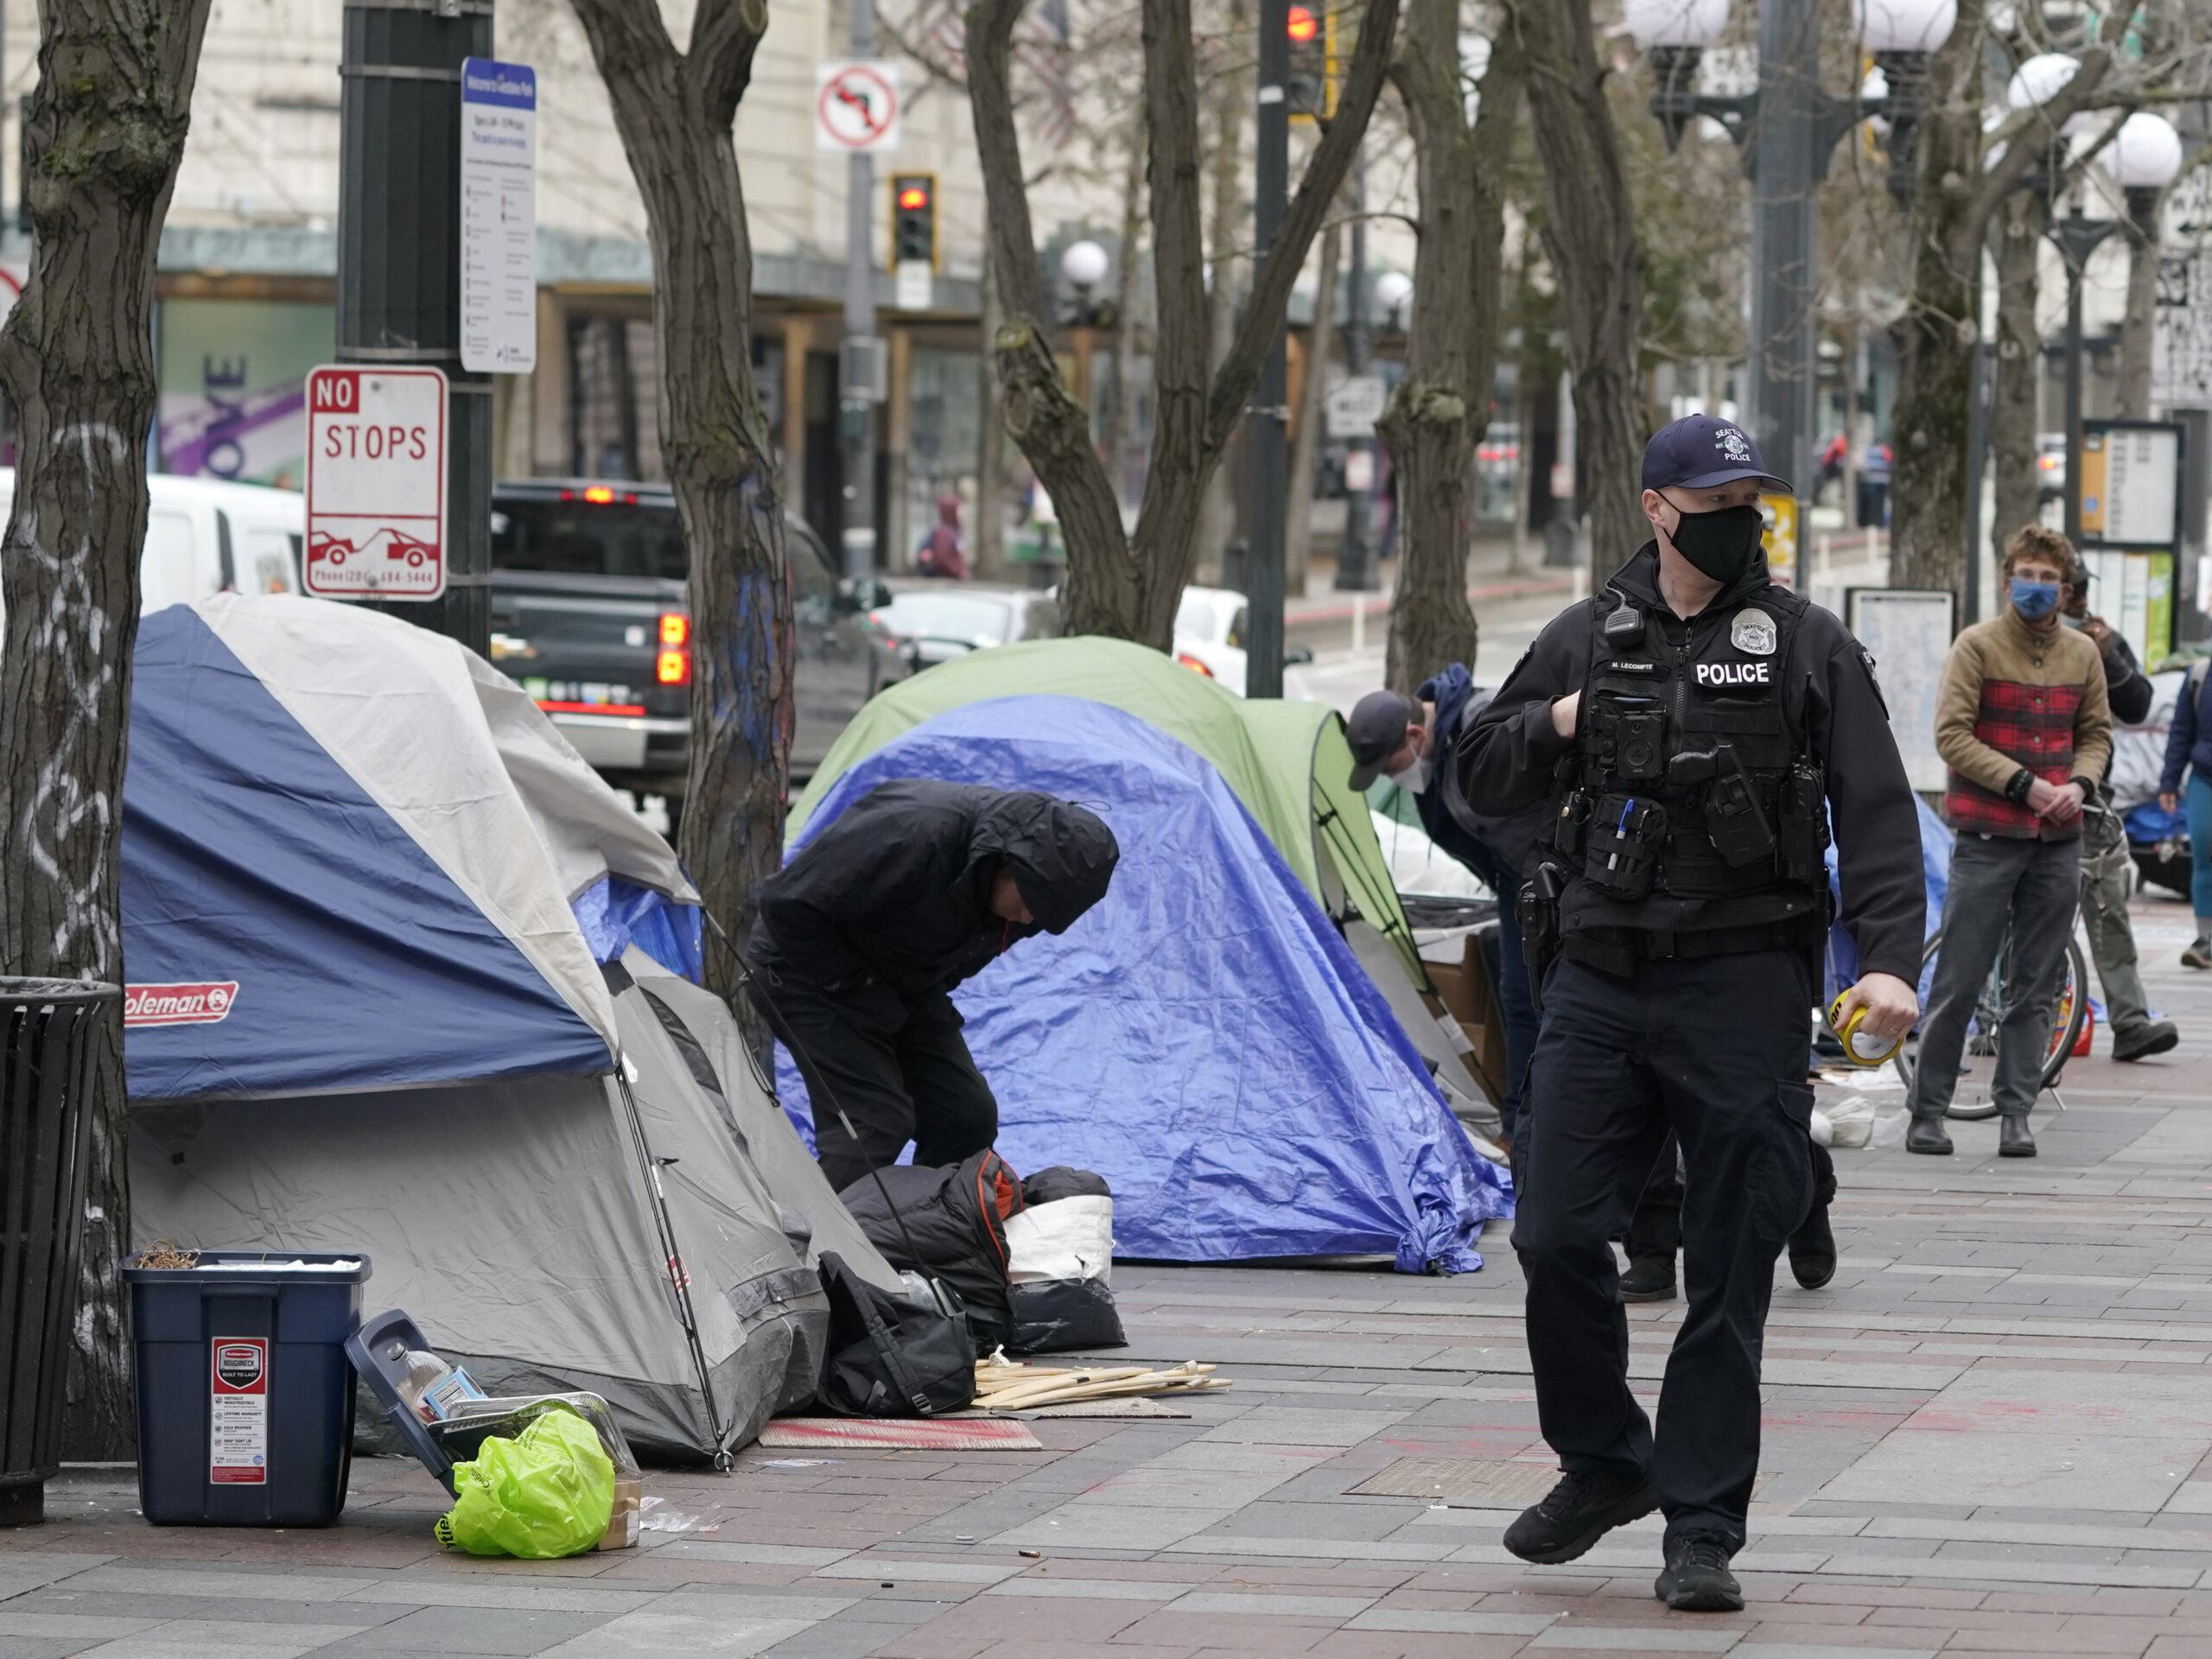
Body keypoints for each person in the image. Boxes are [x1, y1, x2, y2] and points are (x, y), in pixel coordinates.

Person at [1453, 413, 1923, 1614]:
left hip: (1745, 985)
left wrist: (1891, 963)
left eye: (1754, 494)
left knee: (1728, 1267)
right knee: (1553, 1232)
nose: (1742, 515)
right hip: (1602, 984)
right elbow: (1476, 774)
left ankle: (1702, 1525)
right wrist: (1560, 723)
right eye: (1718, 495)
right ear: (1659, 508)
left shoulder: (1807, 643)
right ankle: (1606, 1461)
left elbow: (1876, 813)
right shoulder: (1583, 637)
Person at [746, 781, 1118, 1192]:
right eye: (1028, 904)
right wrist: (855, 986)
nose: (1028, 921)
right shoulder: (912, 832)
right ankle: (811, 1248)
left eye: (1044, 919)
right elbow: (785, 905)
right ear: (1006, 862)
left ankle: (925, 1234)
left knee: (965, 1116)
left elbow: (963, 958)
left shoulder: (1029, 901)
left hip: (903, 979)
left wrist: (900, 996)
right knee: (875, 1121)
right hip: (804, 966)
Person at [1906, 525, 2112, 1157]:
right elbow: (1952, 735)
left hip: (2058, 840)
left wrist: (2079, 784)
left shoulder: (2083, 654)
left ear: (2066, 588)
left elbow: (2097, 734)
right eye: (2028, 574)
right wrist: (2025, 785)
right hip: (1990, 833)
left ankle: (2016, 1112)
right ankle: (1928, 1110)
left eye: (2050, 579)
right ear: (2007, 579)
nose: (2038, 587)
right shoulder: (1978, 646)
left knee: (2040, 982)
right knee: (1960, 976)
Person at [1346, 670, 1543, 1142]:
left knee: (1549, 1001)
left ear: (1414, 735)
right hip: (1514, 881)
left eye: (1391, 767)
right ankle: (1521, 1127)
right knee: (1520, 1000)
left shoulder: (1483, 720)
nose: (1394, 779)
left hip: (1546, 875)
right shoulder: (1436, 753)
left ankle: (1538, 1126)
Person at [2063, 565, 2177, 1059]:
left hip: (2089, 797)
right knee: (2021, 915)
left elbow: (2139, 705)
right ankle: (2003, 1019)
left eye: (2085, 590)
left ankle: (2129, 1021)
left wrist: (2111, 656)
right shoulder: (2006, 640)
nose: (2080, 598)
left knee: (2107, 904)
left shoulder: (2101, 639)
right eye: (2074, 588)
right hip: (2022, 797)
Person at [2157, 652, 2212, 971]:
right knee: (2203, 855)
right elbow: (2180, 731)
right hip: (2204, 777)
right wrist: (2169, 782)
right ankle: (2204, 940)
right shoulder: (2199, 676)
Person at [916, 495, 969, 581]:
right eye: (959, 510)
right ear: (951, 511)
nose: (962, 513)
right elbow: (943, 559)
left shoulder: (954, 531)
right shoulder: (945, 534)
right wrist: (958, 572)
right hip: (946, 583)